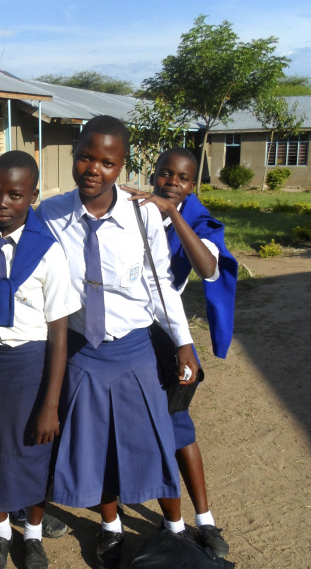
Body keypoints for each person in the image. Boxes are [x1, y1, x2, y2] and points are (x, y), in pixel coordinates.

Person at [36, 116, 199, 569]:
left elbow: (160, 283)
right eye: (86, 156)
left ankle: (176, 531)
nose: (94, 168)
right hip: (82, 350)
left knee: (152, 441)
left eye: (107, 162)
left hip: (133, 349)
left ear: (122, 165)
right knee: (95, 446)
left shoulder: (143, 213)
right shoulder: (50, 215)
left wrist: (182, 341)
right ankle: (109, 527)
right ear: (74, 155)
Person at [0, 151, 80, 569]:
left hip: (29, 364)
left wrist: (50, 404)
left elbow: (59, 335)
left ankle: (31, 535)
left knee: (32, 450)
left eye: (15, 194)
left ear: (32, 196)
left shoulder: (48, 251)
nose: (3, 202)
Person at [125, 147, 238, 558]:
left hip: (168, 336)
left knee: (178, 426)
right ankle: (173, 524)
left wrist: (172, 214)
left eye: (183, 178)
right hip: (130, 332)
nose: (172, 182)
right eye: (165, 174)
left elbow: (208, 268)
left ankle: (204, 520)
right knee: (152, 431)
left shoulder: (196, 220)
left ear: (193, 185)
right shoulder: (132, 211)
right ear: (153, 175)